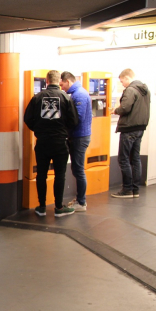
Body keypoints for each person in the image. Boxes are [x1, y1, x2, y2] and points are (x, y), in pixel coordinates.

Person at [23, 69, 79, 217]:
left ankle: (41, 207)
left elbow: (27, 118)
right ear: (59, 81)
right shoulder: (66, 98)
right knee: (60, 175)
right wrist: (63, 129)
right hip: (60, 142)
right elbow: (74, 121)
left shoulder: (37, 98)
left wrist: (38, 129)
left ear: (46, 81)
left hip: (42, 142)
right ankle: (59, 208)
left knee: (41, 174)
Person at [111, 68, 151, 198]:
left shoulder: (130, 90)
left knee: (123, 159)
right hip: (140, 128)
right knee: (135, 158)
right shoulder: (145, 90)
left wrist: (115, 111)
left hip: (129, 128)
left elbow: (125, 108)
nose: (122, 84)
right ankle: (135, 189)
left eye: (122, 81)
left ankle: (127, 189)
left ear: (127, 78)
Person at [60, 72, 92, 212]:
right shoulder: (78, 93)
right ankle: (80, 199)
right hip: (79, 136)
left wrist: (62, 124)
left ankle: (81, 202)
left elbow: (76, 118)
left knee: (78, 170)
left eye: (62, 85)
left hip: (79, 137)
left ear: (67, 81)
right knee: (77, 169)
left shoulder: (79, 95)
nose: (62, 88)